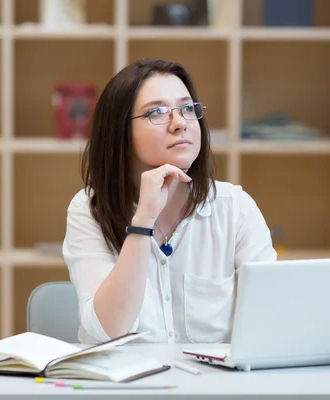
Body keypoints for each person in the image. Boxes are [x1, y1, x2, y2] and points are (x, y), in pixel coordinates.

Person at [62, 58, 277, 345]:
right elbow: (108, 331)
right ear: (119, 132)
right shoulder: (89, 209)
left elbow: (272, 319)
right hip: (124, 388)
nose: (179, 124)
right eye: (157, 112)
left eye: (187, 108)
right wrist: (142, 222)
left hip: (214, 386)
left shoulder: (235, 208)